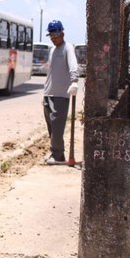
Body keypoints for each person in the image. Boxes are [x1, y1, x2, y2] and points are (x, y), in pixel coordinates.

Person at [42, 20, 79, 165]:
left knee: (57, 128)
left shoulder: (68, 48)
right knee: (51, 127)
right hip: (48, 94)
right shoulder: (52, 50)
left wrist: (74, 80)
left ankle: (57, 156)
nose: (53, 38)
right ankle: (57, 153)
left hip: (60, 96)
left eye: (56, 34)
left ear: (62, 33)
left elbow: (73, 65)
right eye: (51, 35)